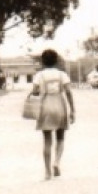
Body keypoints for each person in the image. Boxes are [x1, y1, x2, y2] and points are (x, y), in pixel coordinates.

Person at [32, 48, 76, 180]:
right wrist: (72, 110)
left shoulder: (39, 75)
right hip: (60, 104)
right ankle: (56, 162)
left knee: (47, 140)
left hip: (45, 105)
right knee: (60, 137)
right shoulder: (62, 74)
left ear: (43, 62)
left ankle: (47, 171)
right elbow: (68, 92)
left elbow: (35, 91)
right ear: (56, 61)